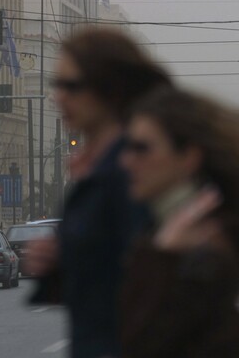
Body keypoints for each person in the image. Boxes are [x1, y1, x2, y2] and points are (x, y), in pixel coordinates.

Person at [119, 88, 239, 357]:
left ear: (188, 157)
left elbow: (142, 338)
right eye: (126, 147)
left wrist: (160, 257)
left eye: (141, 149)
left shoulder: (201, 247)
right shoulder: (161, 232)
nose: (126, 161)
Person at [27, 28, 171, 358]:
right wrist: (60, 262)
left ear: (112, 89)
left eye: (72, 86)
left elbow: (145, 286)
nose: (59, 97)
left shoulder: (130, 169)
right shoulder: (99, 167)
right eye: (56, 86)